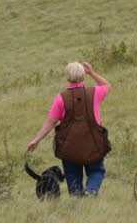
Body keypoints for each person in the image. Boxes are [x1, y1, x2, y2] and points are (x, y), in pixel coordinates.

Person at [27, 62, 111, 196]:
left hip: (69, 146)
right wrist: (92, 73)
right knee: (96, 171)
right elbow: (107, 85)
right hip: (93, 143)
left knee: (72, 175)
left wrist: (36, 140)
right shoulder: (95, 93)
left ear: (67, 77)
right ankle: (91, 190)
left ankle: (77, 201)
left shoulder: (61, 98)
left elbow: (50, 122)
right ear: (83, 76)